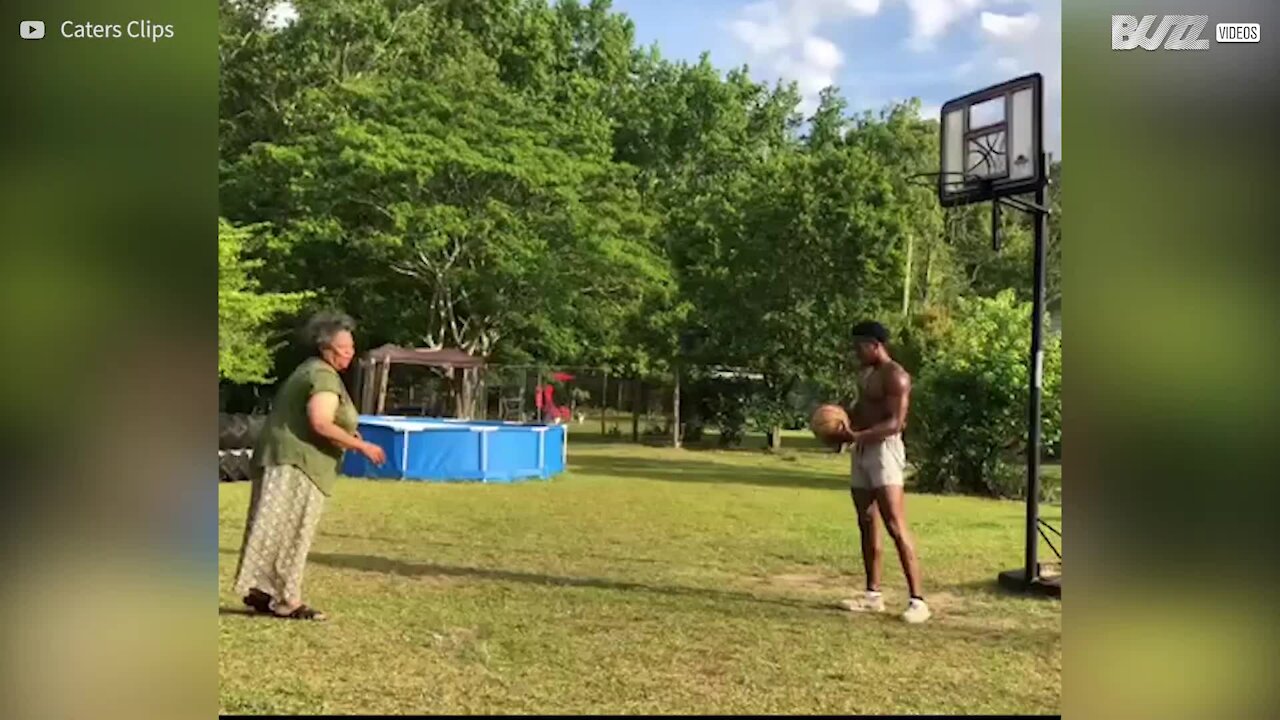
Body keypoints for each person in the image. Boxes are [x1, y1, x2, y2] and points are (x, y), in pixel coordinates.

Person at [232, 311, 387, 620]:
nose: (351, 353)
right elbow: (320, 421)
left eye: (352, 347)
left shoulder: (309, 370)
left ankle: (263, 591)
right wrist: (362, 445)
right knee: (292, 529)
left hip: (282, 458)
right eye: (345, 348)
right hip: (297, 463)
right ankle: (287, 599)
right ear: (327, 348)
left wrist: (347, 434)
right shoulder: (323, 376)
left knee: (272, 525)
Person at [832, 320, 930, 624]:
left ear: (876, 345)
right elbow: (862, 412)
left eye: (860, 346)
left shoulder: (896, 376)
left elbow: (895, 423)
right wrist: (839, 426)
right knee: (866, 519)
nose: (856, 352)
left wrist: (857, 436)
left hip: (885, 450)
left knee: (894, 524)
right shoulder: (865, 374)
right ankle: (872, 595)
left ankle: (918, 601)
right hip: (862, 449)